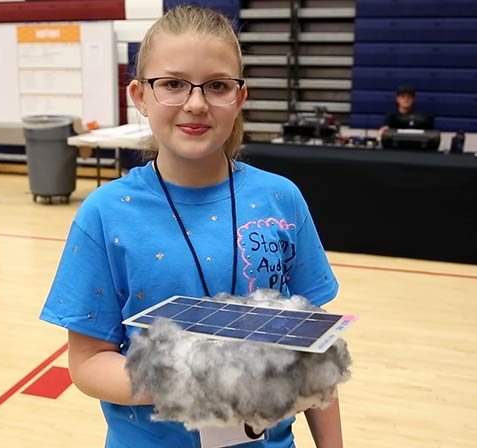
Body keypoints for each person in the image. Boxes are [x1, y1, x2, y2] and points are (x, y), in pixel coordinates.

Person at [39, 6, 343, 448]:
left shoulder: (281, 199)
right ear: (140, 96)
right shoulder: (106, 213)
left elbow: (314, 352)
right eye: (173, 84)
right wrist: (198, 382)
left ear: (239, 97)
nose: (196, 103)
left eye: (217, 85)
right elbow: (87, 363)